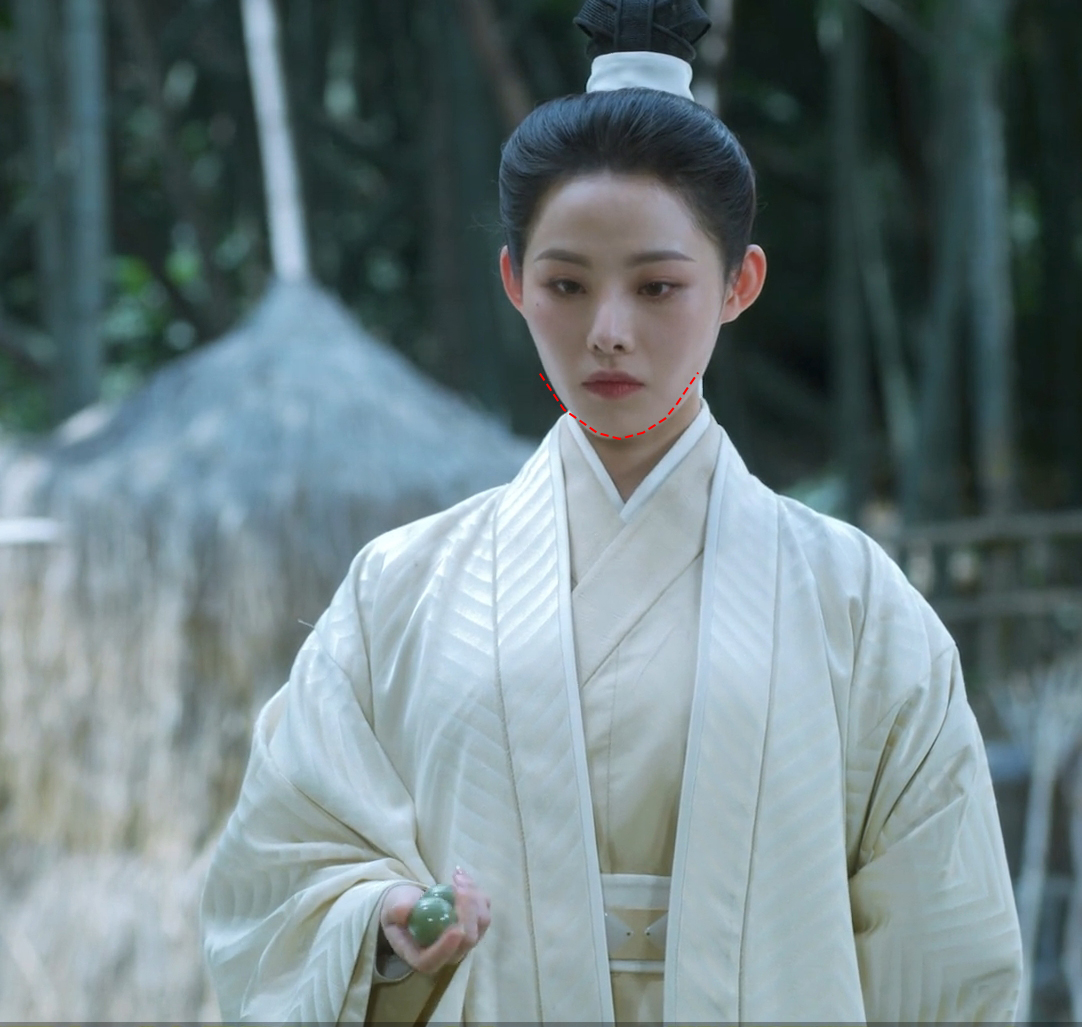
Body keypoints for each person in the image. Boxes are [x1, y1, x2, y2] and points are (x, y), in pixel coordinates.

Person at [200, 0, 1024, 1022]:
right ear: (514, 282)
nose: (608, 331)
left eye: (658, 287)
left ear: (738, 283)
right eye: (567, 283)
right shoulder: (399, 588)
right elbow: (275, 876)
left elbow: (944, 946)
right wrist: (382, 929)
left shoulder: (858, 604)